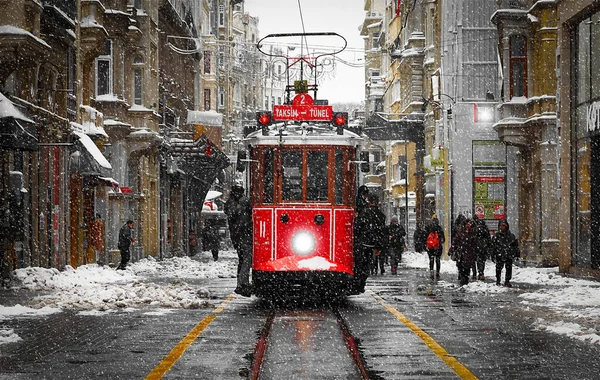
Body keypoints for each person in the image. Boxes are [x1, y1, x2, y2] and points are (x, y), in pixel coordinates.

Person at [224, 184, 253, 297]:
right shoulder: (242, 203)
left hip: (236, 237)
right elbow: (242, 220)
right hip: (244, 236)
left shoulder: (230, 203)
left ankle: (240, 284)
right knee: (247, 259)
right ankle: (243, 283)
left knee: (242, 259)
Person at [354, 193, 386, 290]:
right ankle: (362, 281)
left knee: (361, 263)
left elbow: (358, 227)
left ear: (369, 202)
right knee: (368, 263)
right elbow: (381, 231)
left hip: (363, 242)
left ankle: (359, 282)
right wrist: (379, 246)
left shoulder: (364, 213)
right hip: (373, 243)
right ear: (377, 203)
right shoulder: (381, 215)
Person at [491, 219, 520, 287]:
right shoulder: (496, 235)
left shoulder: (511, 236)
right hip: (499, 254)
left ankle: (507, 281)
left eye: (503, 225)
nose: (501, 227)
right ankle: (498, 280)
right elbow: (493, 246)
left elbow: (515, 246)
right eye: (500, 225)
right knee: (498, 268)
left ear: (506, 226)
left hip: (508, 254)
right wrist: (493, 254)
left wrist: (516, 254)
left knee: (508, 268)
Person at [450, 218, 477, 286]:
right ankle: (462, 280)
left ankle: (465, 281)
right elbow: (455, 241)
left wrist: (475, 252)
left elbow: (474, 244)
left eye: (469, 224)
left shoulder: (473, 233)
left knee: (467, 269)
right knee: (461, 268)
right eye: (466, 224)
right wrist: (451, 250)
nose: (468, 225)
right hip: (461, 254)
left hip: (469, 254)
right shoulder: (460, 232)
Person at [425, 215, 445, 280]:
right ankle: (437, 272)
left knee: (431, 259)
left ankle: (431, 271)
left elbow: (425, 238)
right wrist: (439, 242)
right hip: (438, 247)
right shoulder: (440, 229)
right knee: (438, 259)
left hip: (430, 248)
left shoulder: (428, 228)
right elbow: (443, 239)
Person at [473, 215, 491, 280]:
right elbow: (489, 239)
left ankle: (479, 272)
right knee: (482, 261)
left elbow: (473, 238)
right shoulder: (485, 229)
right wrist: (489, 247)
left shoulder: (476, 229)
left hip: (478, 246)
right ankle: (482, 272)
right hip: (484, 247)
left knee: (478, 260)